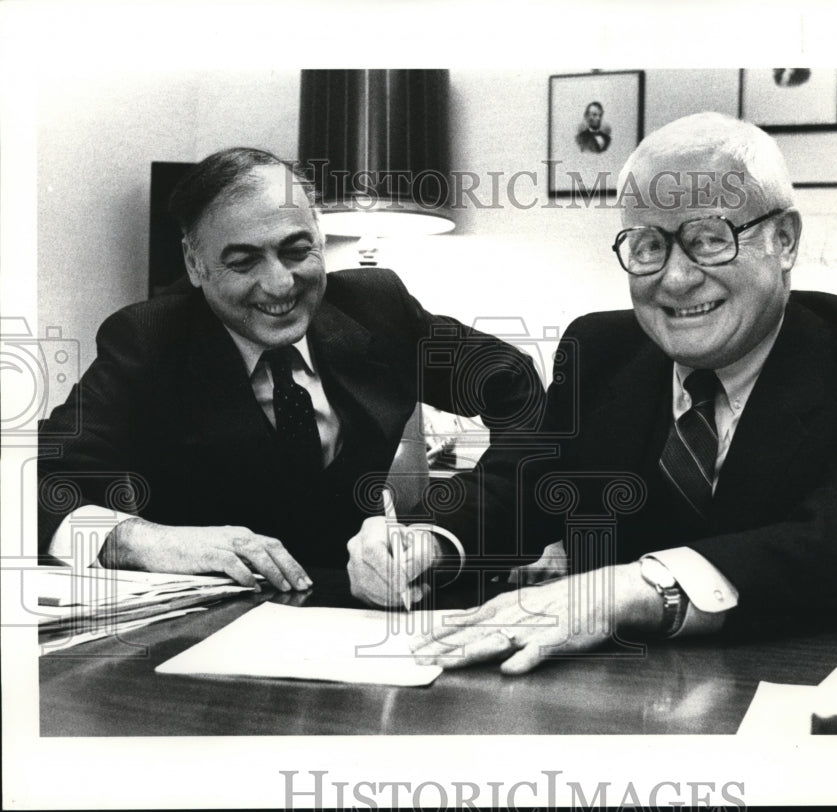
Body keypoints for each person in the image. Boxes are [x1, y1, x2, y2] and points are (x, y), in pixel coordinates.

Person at [410, 112, 837, 674]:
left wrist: (636, 589)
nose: (675, 279)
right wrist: (427, 541)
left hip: (799, 687)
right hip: (604, 692)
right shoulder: (600, 348)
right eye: (649, 245)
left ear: (784, 240)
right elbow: (523, 486)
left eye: (708, 239)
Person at [37, 147, 543, 598]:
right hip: (209, 639)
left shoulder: (377, 306)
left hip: (377, 619)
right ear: (195, 265)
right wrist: (142, 542)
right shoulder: (148, 341)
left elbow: (517, 387)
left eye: (297, 251)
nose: (280, 284)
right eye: (243, 261)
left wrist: (438, 531)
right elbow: (30, 483)